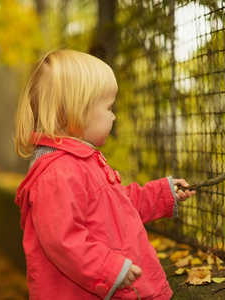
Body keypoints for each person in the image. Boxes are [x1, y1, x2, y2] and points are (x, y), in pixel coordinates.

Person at [14, 49, 195, 300]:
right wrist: (109, 269)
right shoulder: (59, 174)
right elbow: (63, 242)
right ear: (76, 111)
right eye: (109, 107)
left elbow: (115, 209)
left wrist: (162, 194)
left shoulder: (80, 163)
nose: (114, 116)